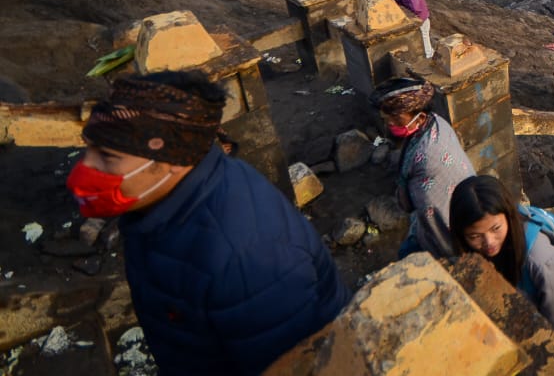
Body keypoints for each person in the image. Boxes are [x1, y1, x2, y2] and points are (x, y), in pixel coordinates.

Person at [67, 71, 349, 375]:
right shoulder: (163, 202)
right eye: (89, 148)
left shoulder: (246, 260)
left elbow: (291, 367)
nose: (85, 167)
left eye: (107, 158)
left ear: (171, 162)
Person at [449, 175, 554, 340]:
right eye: (474, 236)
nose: (489, 242)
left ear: (509, 216)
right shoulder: (482, 248)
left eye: (496, 228)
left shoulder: (543, 262)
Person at [373, 76, 475, 259]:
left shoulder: (427, 157)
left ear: (419, 118)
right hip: (462, 211)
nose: (390, 123)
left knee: (409, 254)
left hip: (448, 233)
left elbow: (423, 210)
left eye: (396, 118)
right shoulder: (436, 122)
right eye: (387, 118)